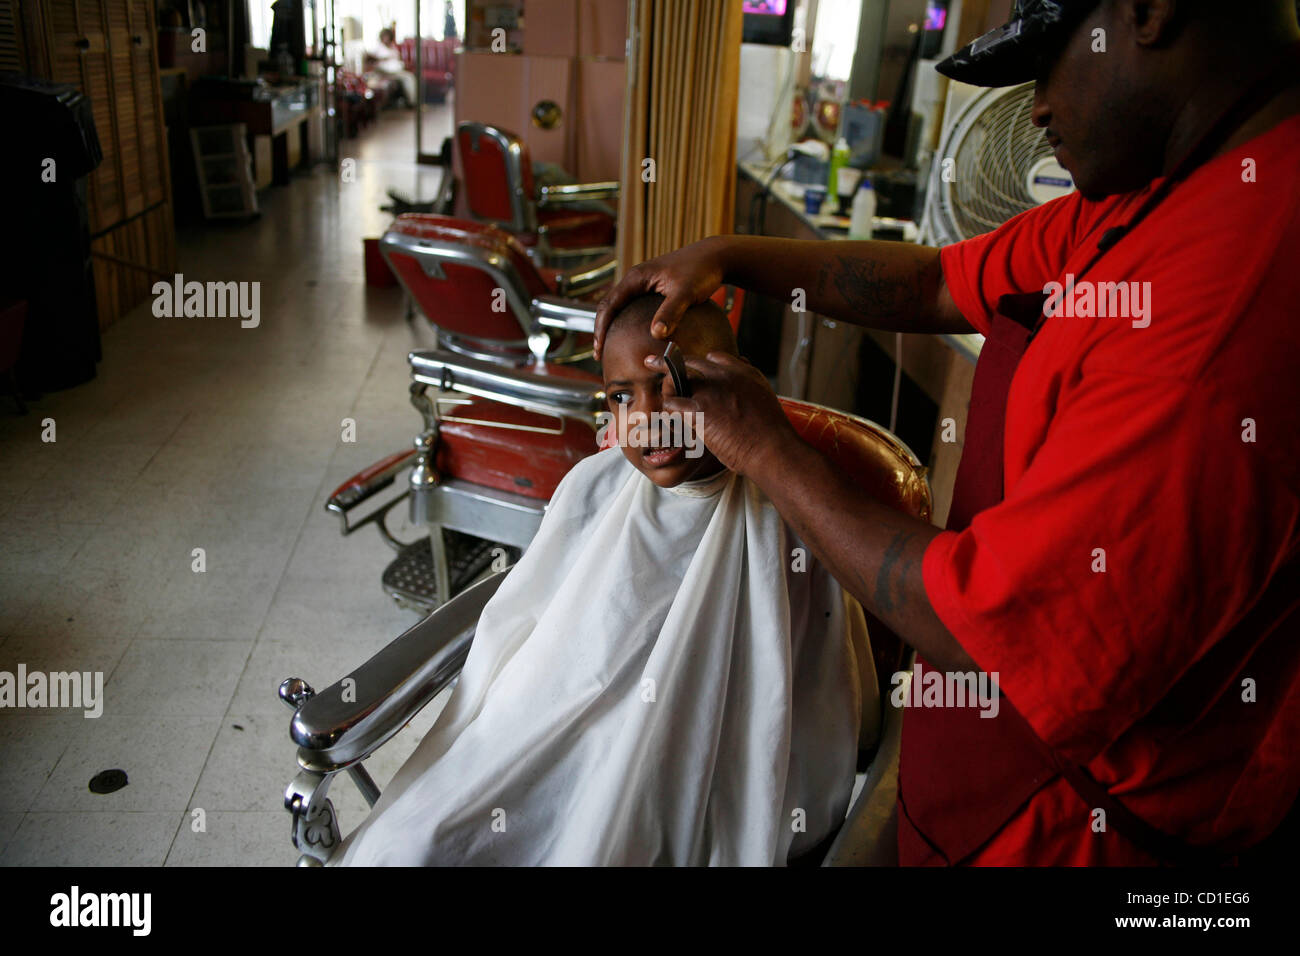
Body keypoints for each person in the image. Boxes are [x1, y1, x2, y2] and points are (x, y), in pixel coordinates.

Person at [593, 0, 1300, 865]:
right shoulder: (1151, 192)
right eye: (619, 396)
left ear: (1151, 11)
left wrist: (770, 450)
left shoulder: (1229, 306)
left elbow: (987, 632)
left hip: (1079, 830)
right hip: (971, 767)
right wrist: (730, 253)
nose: (1036, 108)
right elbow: (936, 284)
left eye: (1051, 62)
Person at [334, 295, 875, 866]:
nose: (646, 419)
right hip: (543, 741)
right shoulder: (593, 485)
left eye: (674, 384)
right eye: (623, 397)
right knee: (413, 847)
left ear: (735, 381)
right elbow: (527, 641)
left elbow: (813, 701)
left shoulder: (787, 519)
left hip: (685, 776)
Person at [365, 27, 417, 107]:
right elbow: (370, 59)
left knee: (410, 77)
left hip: (397, 71)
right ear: (381, 37)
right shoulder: (377, 47)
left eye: (388, 37)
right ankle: (412, 103)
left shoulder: (393, 48)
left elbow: (397, 59)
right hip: (384, 72)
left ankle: (412, 102)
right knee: (408, 78)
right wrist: (382, 59)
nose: (386, 39)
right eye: (384, 37)